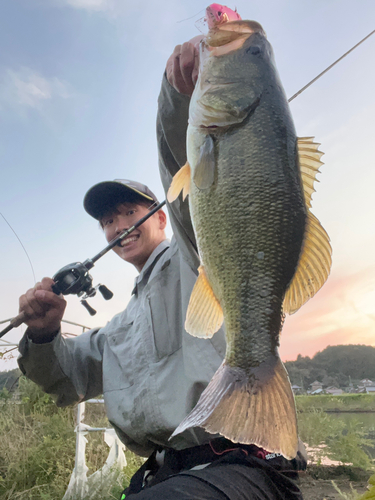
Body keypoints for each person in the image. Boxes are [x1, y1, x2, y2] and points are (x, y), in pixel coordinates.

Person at [17, 39, 306, 499]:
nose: (118, 226)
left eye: (129, 211)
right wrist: (45, 334)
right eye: (107, 221)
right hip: (166, 477)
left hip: (242, 466)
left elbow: (190, 168)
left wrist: (177, 96)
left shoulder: (196, 253)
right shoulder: (121, 327)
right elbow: (65, 376)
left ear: (161, 215)